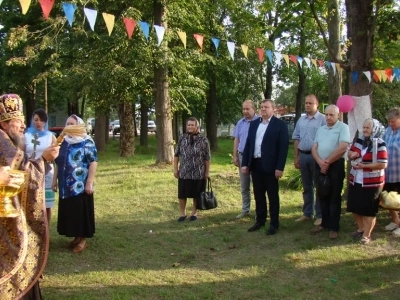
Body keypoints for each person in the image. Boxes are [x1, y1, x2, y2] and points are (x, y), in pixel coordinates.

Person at [0, 93, 59, 299]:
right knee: (14, 260)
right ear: (5, 123)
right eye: (19, 121)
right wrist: (44, 158)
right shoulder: (1, 139)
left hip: (8, 214)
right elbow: (23, 171)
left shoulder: (7, 139)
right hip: (7, 221)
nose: (23, 125)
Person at [241, 99, 289, 235]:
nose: (263, 109)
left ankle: (274, 223)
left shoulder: (280, 125)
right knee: (258, 194)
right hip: (255, 164)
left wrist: (279, 167)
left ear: (273, 109)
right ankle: (260, 220)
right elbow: (248, 145)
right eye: (261, 107)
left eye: (266, 107)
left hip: (271, 166)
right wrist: (245, 163)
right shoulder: (255, 123)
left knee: (272, 196)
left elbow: (283, 149)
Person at [52, 114, 98, 253]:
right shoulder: (64, 141)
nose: (69, 126)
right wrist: (54, 180)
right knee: (71, 211)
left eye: (72, 124)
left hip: (80, 186)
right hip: (65, 186)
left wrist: (89, 182)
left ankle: (83, 241)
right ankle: (77, 237)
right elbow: (58, 162)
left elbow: (93, 161)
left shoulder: (86, 141)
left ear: (79, 125)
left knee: (80, 212)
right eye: (67, 124)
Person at [311, 104, 350, 239]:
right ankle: (324, 223)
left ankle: (334, 227)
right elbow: (314, 147)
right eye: (326, 114)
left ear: (338, 115)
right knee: (322, 195)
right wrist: (320, 162)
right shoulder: (321, 129)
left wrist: (327, 162)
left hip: (335, 166)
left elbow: (342, 147)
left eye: (331, 115)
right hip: (320, 165)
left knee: (334, 197)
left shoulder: (343, 128)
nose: (328, 117)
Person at [347, 118, 387, 244]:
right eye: (363, 127)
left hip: (372, 182)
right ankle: (360, 228)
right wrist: (351, 154)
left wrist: (364, 166)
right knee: (354, 206)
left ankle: (366, 235)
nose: (364, 130)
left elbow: (383, 164)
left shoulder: (380, 143)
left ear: (374, 129)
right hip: (356, 179)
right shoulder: (359, 140)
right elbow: (350, 151)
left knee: (368, 209)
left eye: (367, 128)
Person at [292, 95, 326, 226]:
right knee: (307, 186)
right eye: (306, 103)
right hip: (304, 155)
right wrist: (296, 157)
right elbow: (296, 138)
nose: (307, 105)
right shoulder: (301, 120)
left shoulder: (323, 119)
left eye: (310, 103)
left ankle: (320, 215)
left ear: (317, 104)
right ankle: (307, 213)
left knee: (319, 186)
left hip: (317, 157)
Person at [174, 117, 210, 222]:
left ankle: (194, 213)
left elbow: (207, 158)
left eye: (192, 125)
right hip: (184, 171)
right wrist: (175, 169)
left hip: (198, 172)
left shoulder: (203, 140)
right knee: (182, 193)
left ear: (196, 127)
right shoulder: (182, 138)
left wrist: (207, 172)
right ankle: (182, 214)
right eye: (188, 125)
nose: (190, 127)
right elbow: (176, 155)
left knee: (196, 193)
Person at [25, 109, 57, 222]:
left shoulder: (51, 137)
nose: (39, 122)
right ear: (32, 120)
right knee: (32, 202)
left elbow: (55, 157)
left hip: (47, 172)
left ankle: (46, 235)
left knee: (46, 205)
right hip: (30, 172)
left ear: (45, 122)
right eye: (36, 120)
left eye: (42, 120)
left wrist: (55, 179)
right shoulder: (26, 136)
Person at [232, 100, 258, 218]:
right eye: (243, 109)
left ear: (254, 109)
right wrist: (235, 155)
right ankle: (245, 209)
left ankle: (260, 211)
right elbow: (236, 140)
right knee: (244, 185)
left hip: (255, 158)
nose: (245, 111)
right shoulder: (240, 123)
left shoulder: (259, 122)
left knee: (258, 185)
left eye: (247, 109)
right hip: (242, 156)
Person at [382, 107, 400, 236]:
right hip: (388, 173)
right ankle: (395, 220)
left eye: (393, 121)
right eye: (388, 121)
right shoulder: (387, 131)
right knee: (388, 198)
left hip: (399, 172)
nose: (390, 123)